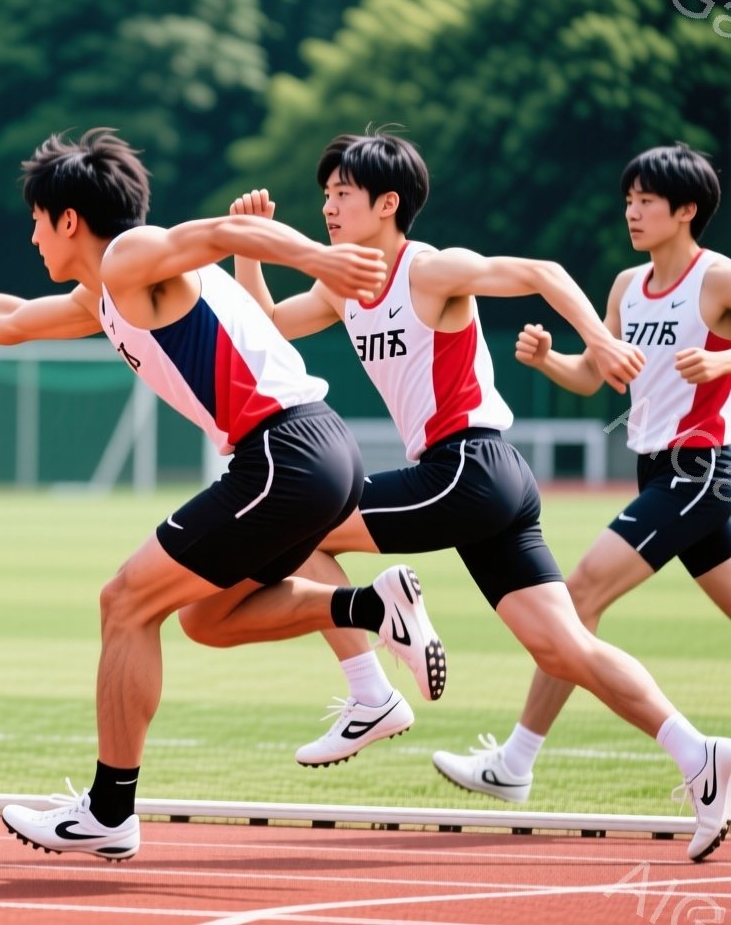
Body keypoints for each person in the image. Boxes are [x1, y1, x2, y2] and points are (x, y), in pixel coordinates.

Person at [0, 128, 444, 863]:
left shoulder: (131, 255)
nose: (32, 235)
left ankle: (108, 810)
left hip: (284, 454)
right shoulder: (105, 295)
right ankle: (370, 608)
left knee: (124, 602)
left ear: (70, 219)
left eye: (37, 219)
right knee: (207, 620)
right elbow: (6, 321)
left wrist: (319, 259)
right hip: (314, 455)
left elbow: (222, 230)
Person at [219, 133, 729, 862]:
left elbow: (543, 271)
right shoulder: (340, 286)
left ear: (387, 204)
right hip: (484, 483)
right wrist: (252, 249)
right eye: (324, 194)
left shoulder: (430, 269)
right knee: (564, 644)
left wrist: (597, 340)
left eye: (343, 194)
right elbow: (263, 328)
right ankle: (699, 751)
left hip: (470, 468)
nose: (328, 206)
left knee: (302, 525)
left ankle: (370, 691)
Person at [431, 144, 731, 820]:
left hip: (701, 467)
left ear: (686, 210)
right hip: (657, 467)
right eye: (628, 199)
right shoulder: (627, 286)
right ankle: (515, 763)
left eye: (646, 200)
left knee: (579, 594)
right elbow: (598, 377)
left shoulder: (718, 280)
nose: (631, 211)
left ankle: (515, 762)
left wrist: (723, 365)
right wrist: (548, 361)